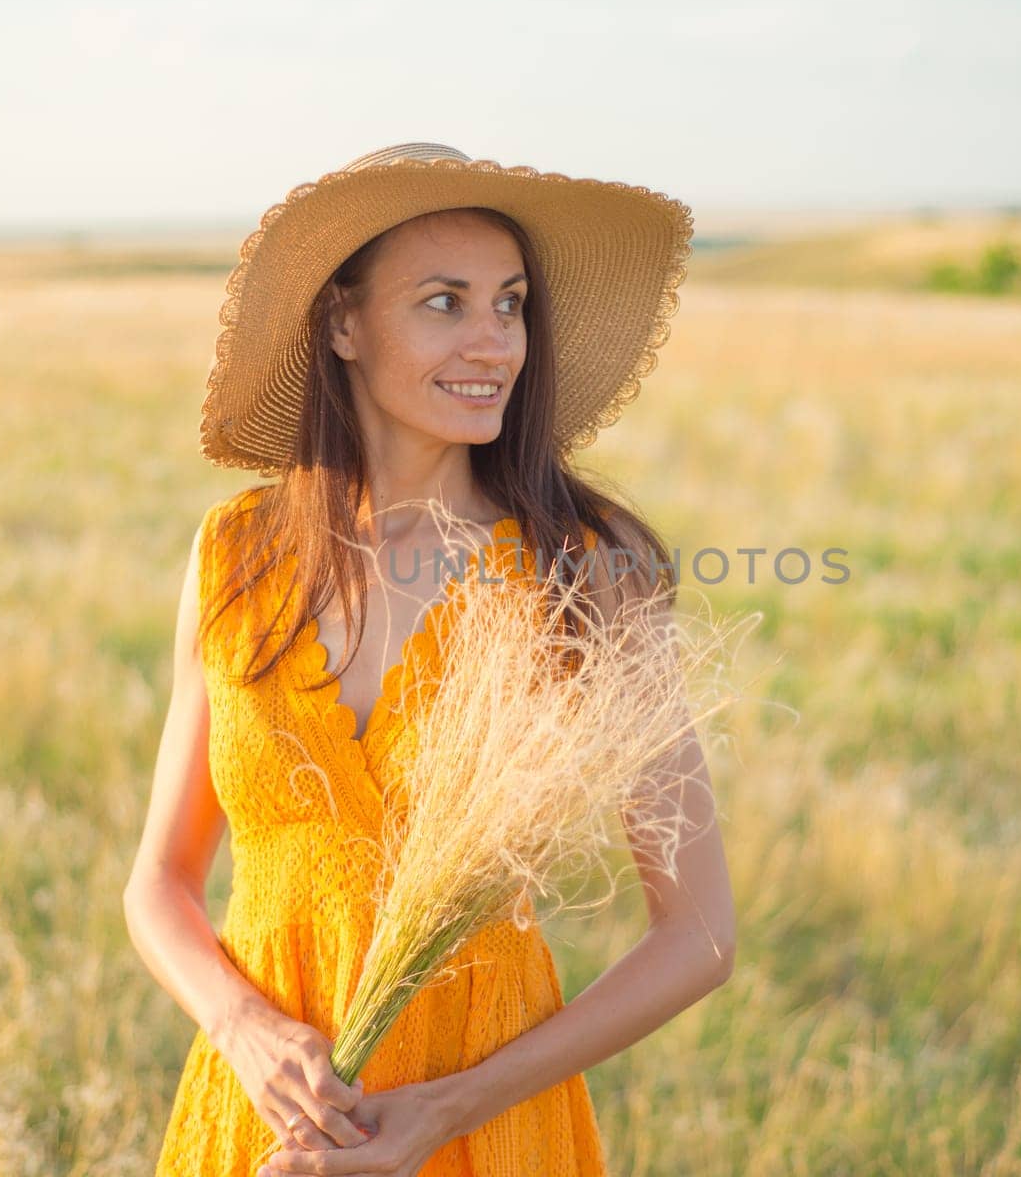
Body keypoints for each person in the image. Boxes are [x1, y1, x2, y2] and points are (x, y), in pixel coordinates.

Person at [123, 142, 737, 1177]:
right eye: (445, 302)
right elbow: (160, 882)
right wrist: (242, 1027)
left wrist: (443, 1111)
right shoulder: (235, 555)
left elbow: (700, 935)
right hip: (266, 1116)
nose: (495, 340)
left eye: (511, 303)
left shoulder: (584, 569)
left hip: (477, 1123)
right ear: (343, 322)